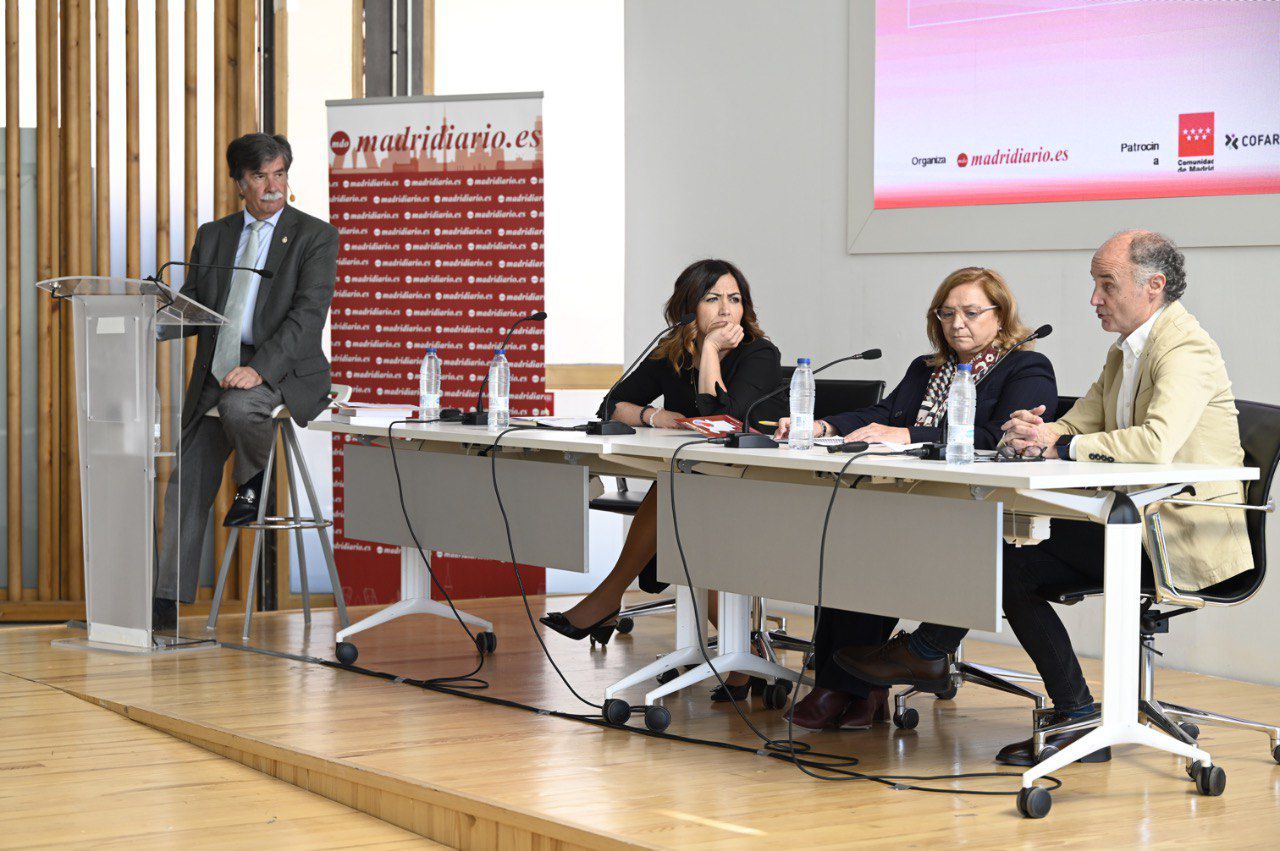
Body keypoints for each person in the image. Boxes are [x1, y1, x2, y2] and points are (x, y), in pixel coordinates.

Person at [837, 231, 1252, 764]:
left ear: (1155, 285)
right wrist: (1038, 430)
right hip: (1132, 520)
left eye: (1106, 284)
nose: (1094, 299)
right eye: (1094, 285)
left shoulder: (1186, 346)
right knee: (1005, 559)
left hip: (1182, 533)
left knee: (1011, 567)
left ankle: (930, 654)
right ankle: (1064, 708)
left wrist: (1065, 441)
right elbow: (1079, 421)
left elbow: (1154, 443)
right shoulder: (1125, 351)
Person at [773, 267, 1057, 730]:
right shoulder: (927, 369)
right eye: (946, 313)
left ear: (1001, 317)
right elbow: (883, 413)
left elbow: (996, 437)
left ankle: (845, 687)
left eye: (970, 312)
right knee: (851, 545)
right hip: (917, 501)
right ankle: (852, 686)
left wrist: (906, 432)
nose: (956, 323)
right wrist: (824, 425)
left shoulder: (1027, 368)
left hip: (981, 514)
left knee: (879, 549)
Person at [540, 258, 787, 695]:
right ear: (689, 308)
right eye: (713, 299)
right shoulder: (674, 351)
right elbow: (613, 404)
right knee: (681, 494)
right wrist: (656, 415)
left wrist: (710, 352)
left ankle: (607, 598)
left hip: (759, 482)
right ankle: (745, 651)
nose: (727, 311)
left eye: (735, 299)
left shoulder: (759, 354)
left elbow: (723, 420)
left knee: (677, 491)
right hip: (700, 481)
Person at [153, 133, 340, 631]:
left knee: (239, 408)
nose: (273, 186)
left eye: (280, 174)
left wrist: (259, 370)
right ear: (240, 183)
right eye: (260, 176)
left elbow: (307, 318)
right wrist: (150, 320)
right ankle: (165, 603)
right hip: (220, 368)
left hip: (282, 366)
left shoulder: (314, 236)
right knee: (185, 479)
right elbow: (196, 305)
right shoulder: (214, 234)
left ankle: (252, 480)